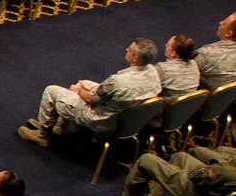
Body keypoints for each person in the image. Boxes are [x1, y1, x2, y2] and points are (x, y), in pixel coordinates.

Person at [18, 37, 163, 145]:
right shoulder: (153, 72)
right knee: (86, 82)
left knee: (51, 91)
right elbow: (112, 92)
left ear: (135, 58)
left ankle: (43, 135)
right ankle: (57, 125)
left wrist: (79, 91)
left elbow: (90, 99)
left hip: (100, 118)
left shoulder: (117, 82)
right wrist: (91, 89)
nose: (126, 49)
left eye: (129, 49)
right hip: (124, 116)